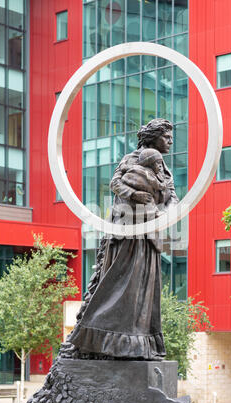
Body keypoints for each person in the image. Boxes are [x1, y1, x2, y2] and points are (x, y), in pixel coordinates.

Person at [67, 119, 178, 361]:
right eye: (166, 136)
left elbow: (173, 197)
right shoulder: (131, 158)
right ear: (153, 137)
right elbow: (115, 183)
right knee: (120, 284)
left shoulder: (163, 168)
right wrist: (134, 194)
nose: (171, 141)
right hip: (128, 230)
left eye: (171, 137)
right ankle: (102, 339)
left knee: (144, 289)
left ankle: (139, 344)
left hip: (150, 234)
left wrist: (166, 215)